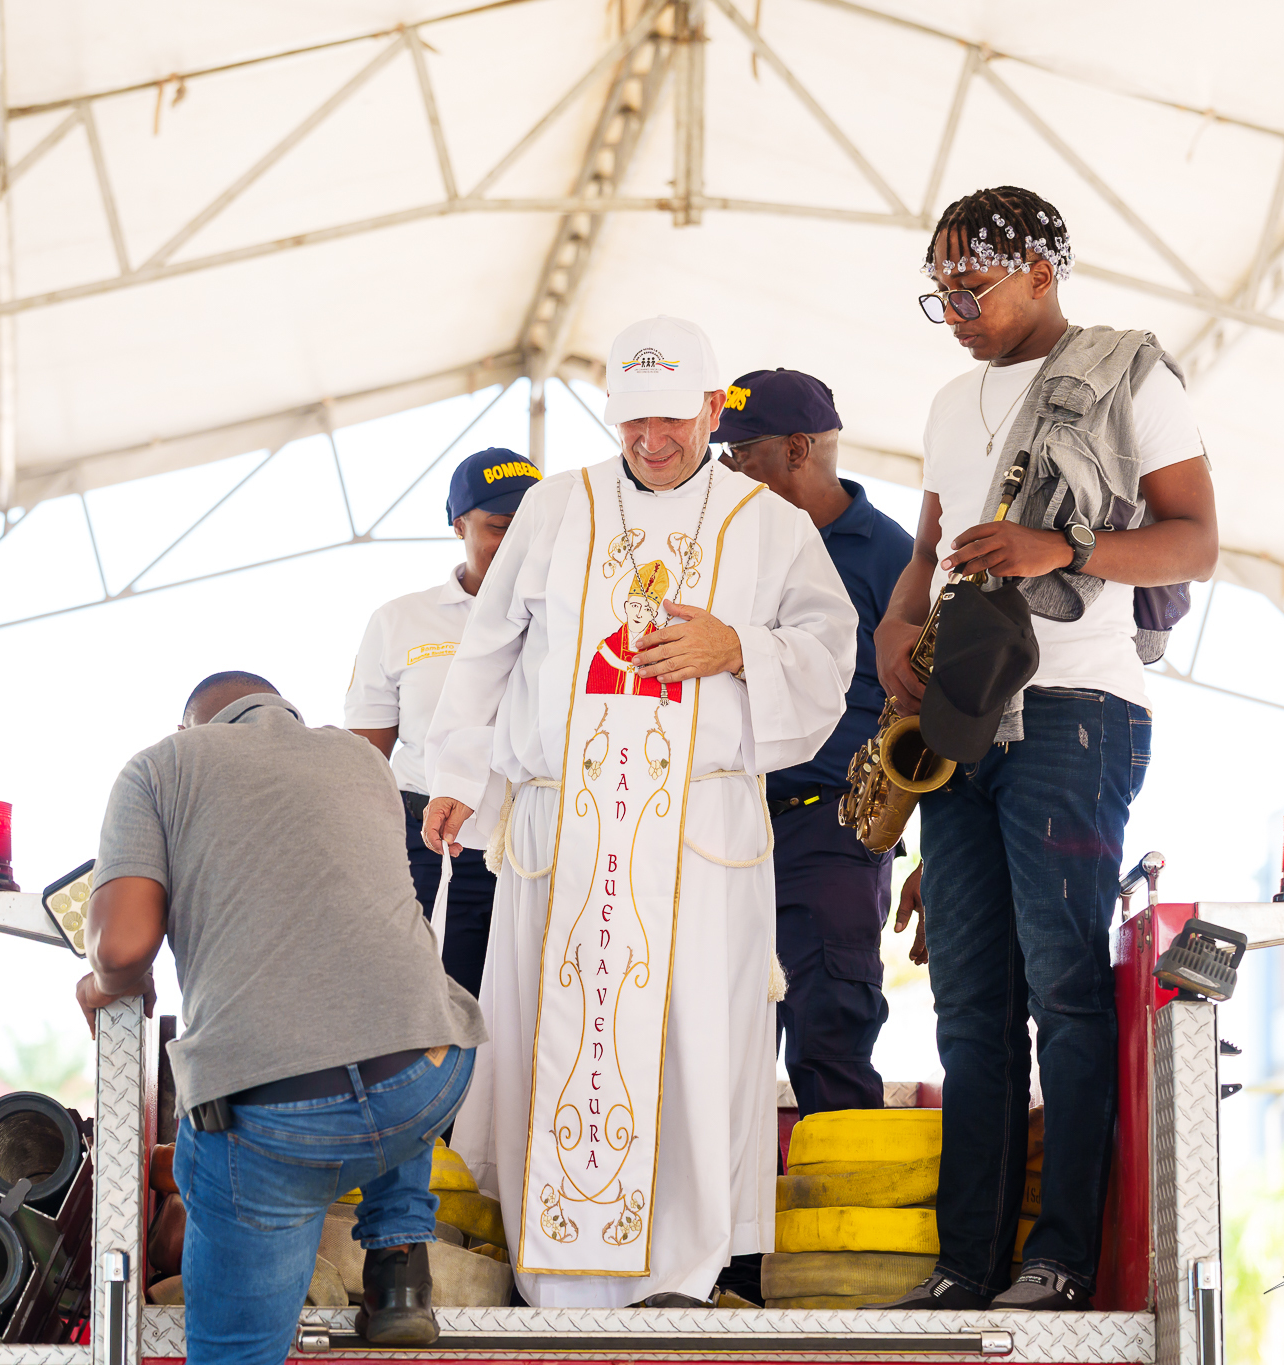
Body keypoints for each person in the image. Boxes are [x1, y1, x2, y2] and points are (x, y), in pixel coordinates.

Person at [420, 316, 857, 1308]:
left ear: (711, 409)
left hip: (695, 846)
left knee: (693, 1042)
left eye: (670, 421)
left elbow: (830, 655)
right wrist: (455, 771)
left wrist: (736, 647)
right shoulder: (553, 510)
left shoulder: (766, 524)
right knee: (553, 1041)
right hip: (562, 832)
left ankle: (681, 1282)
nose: (651, 443)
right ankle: (555, 1290)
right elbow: (486, 647)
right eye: (630, 425)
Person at [873, 186, 1218, 1313]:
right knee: (968, 1002)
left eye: (970, 288)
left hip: (1076, 708)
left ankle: (1058, 1257)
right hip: (966, 717)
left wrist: (1056, 543)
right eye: (940, 292)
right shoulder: (946, 401)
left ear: (1040, 272)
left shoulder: (1129, 376)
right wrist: (897, 616)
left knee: (1064, 989)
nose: (955, 310)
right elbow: (929, 544)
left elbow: (1194, 541)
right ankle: (962, 1265)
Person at [74, 671, 488, 1357]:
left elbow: (120, 946)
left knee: (235, 1350)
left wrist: (100, 982)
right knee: (389, 1005)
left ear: (191, 732)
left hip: (275, 1125)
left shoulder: (159, 768)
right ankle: (397, 1263)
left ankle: (350, 1248)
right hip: (430, 1075)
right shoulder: (360, 758)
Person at [715, 369, 913, 1117]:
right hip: (728, 821)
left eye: (741, 453)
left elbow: (935, 710)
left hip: (834, 826)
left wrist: (931, 854)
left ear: (799, 448)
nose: (726, 470)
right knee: (720, 1042)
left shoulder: (893, 556)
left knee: (830, 1031)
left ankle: (838, 1230)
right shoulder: (731, 548)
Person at [347, 449, 541, 995]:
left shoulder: (567, 621)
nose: (517, 545)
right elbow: (363, 759)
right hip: (432, 853)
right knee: (440, 1016)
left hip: (537, 846)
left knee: (536, 1021)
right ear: (459, 525)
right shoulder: (401, 621)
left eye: (530, 527)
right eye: (500, 527)